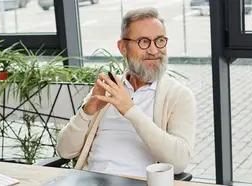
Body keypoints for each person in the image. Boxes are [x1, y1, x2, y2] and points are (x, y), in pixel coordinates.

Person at [55, 7, 197, 178]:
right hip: (90, 180)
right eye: (143, 42)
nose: (153, 50)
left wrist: (130, 110)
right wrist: (87, 112)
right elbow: (64, 151)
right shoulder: (108, 88)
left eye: (159, 40)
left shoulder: (179, 95)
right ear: (123, 47)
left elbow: (179, 162)